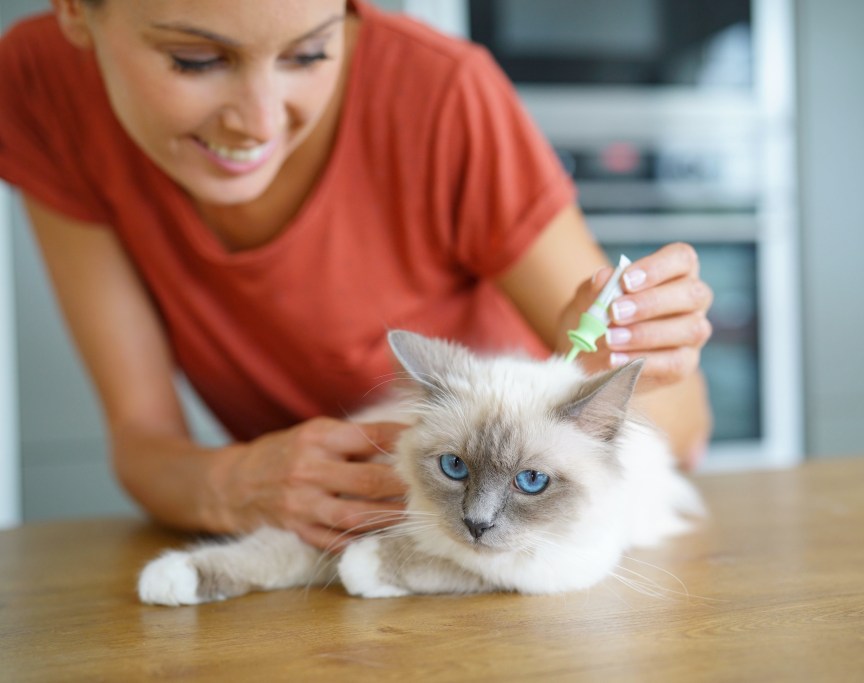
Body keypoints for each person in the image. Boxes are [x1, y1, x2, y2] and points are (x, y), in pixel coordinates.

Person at [0, 0, 713, 550]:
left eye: (309, 53)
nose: (257, 120)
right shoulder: (37, 86)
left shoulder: (441, 100)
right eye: (193, 59)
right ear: (72, 10)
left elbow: (682, 427)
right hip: (318, 555)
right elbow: (142, 438)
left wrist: (608, 364)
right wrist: (232, 484)